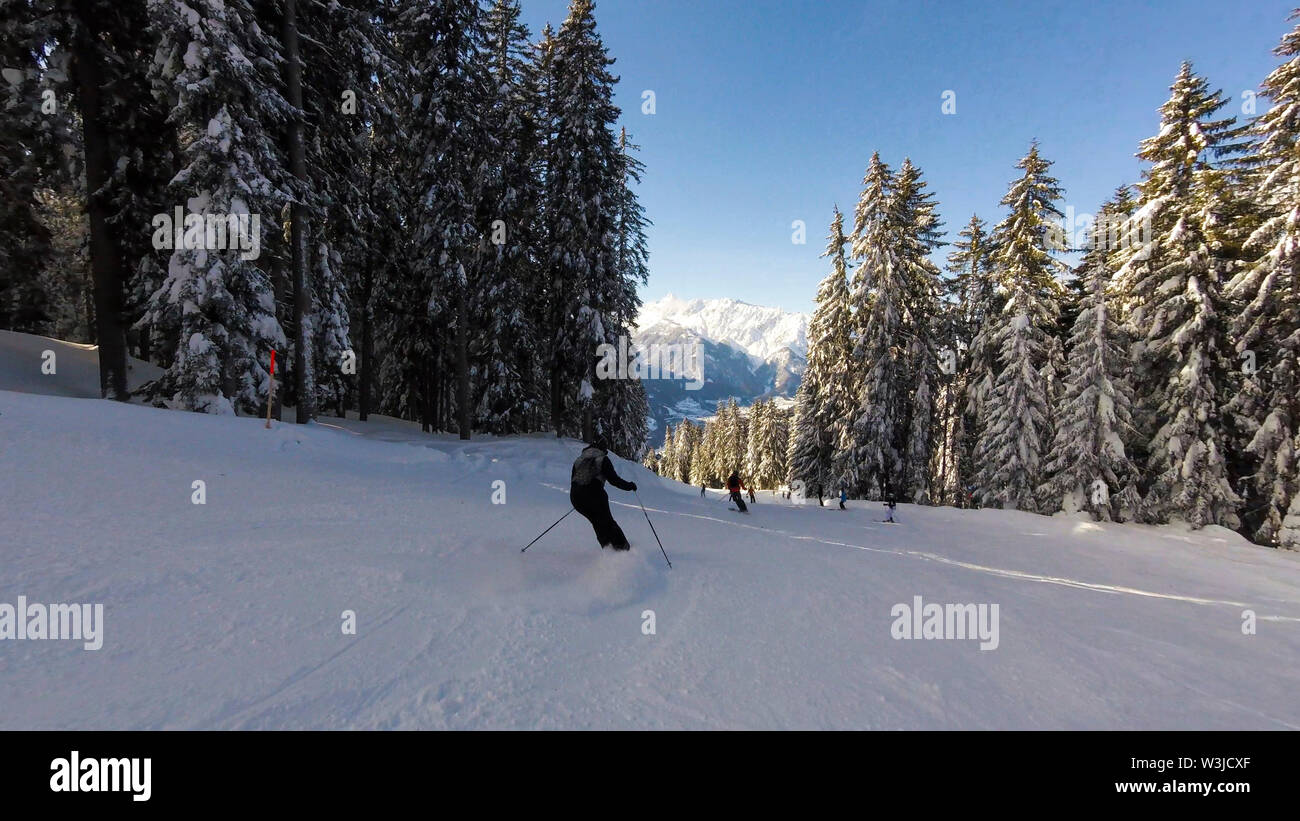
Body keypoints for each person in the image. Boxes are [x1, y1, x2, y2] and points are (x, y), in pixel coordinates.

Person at [570, 436, 636, 551]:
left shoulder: (579, 460)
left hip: (576, 498)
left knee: (597, 523)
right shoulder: (602, 459)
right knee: (608, 522)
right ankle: (624, 550)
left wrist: (580, 496)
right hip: (595, 496)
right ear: (603, 448)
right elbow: (614, 480)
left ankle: (608, 550)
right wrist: (630, 486)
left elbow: (574, 480)